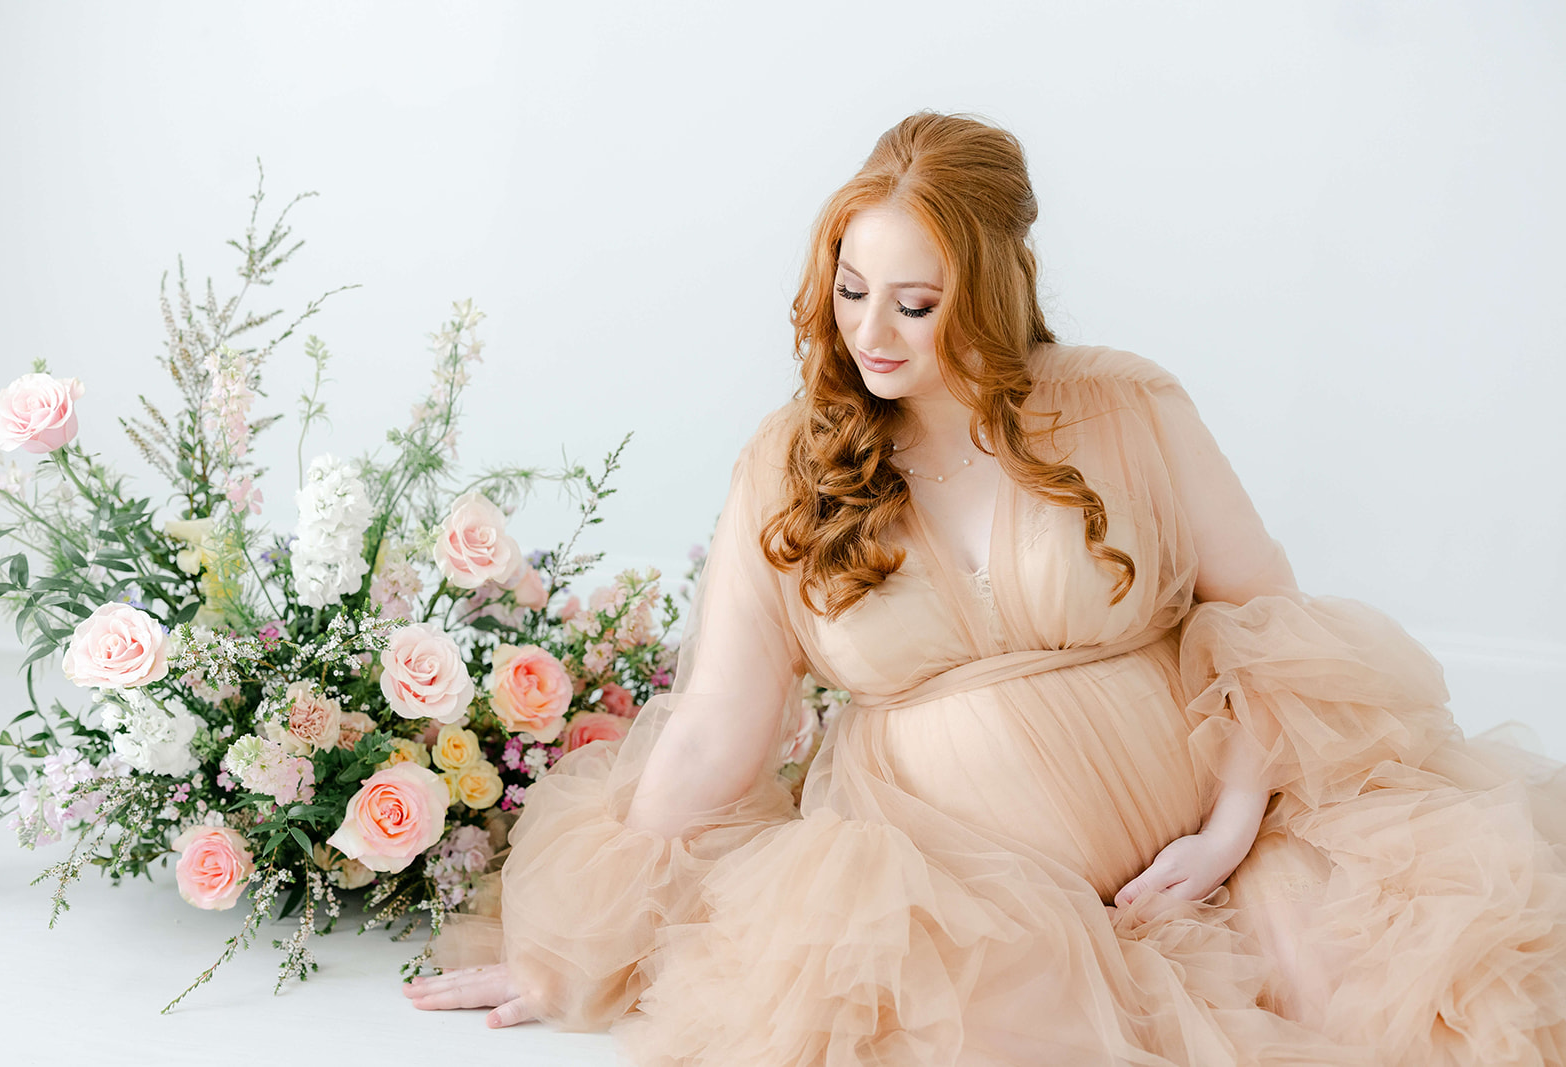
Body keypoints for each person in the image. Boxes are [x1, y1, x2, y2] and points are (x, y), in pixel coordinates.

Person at [405, 111, 1566, 1064]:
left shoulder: (1126, 407)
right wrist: (583, 936)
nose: (872, 332)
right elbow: (719, 720)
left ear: (998, 285)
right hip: (957, 897)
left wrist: (1223, 831)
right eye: (851, 289)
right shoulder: (791, 462)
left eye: (916, 301)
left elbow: (1270, 620)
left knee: (1402, 1003)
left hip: (1207, 858)